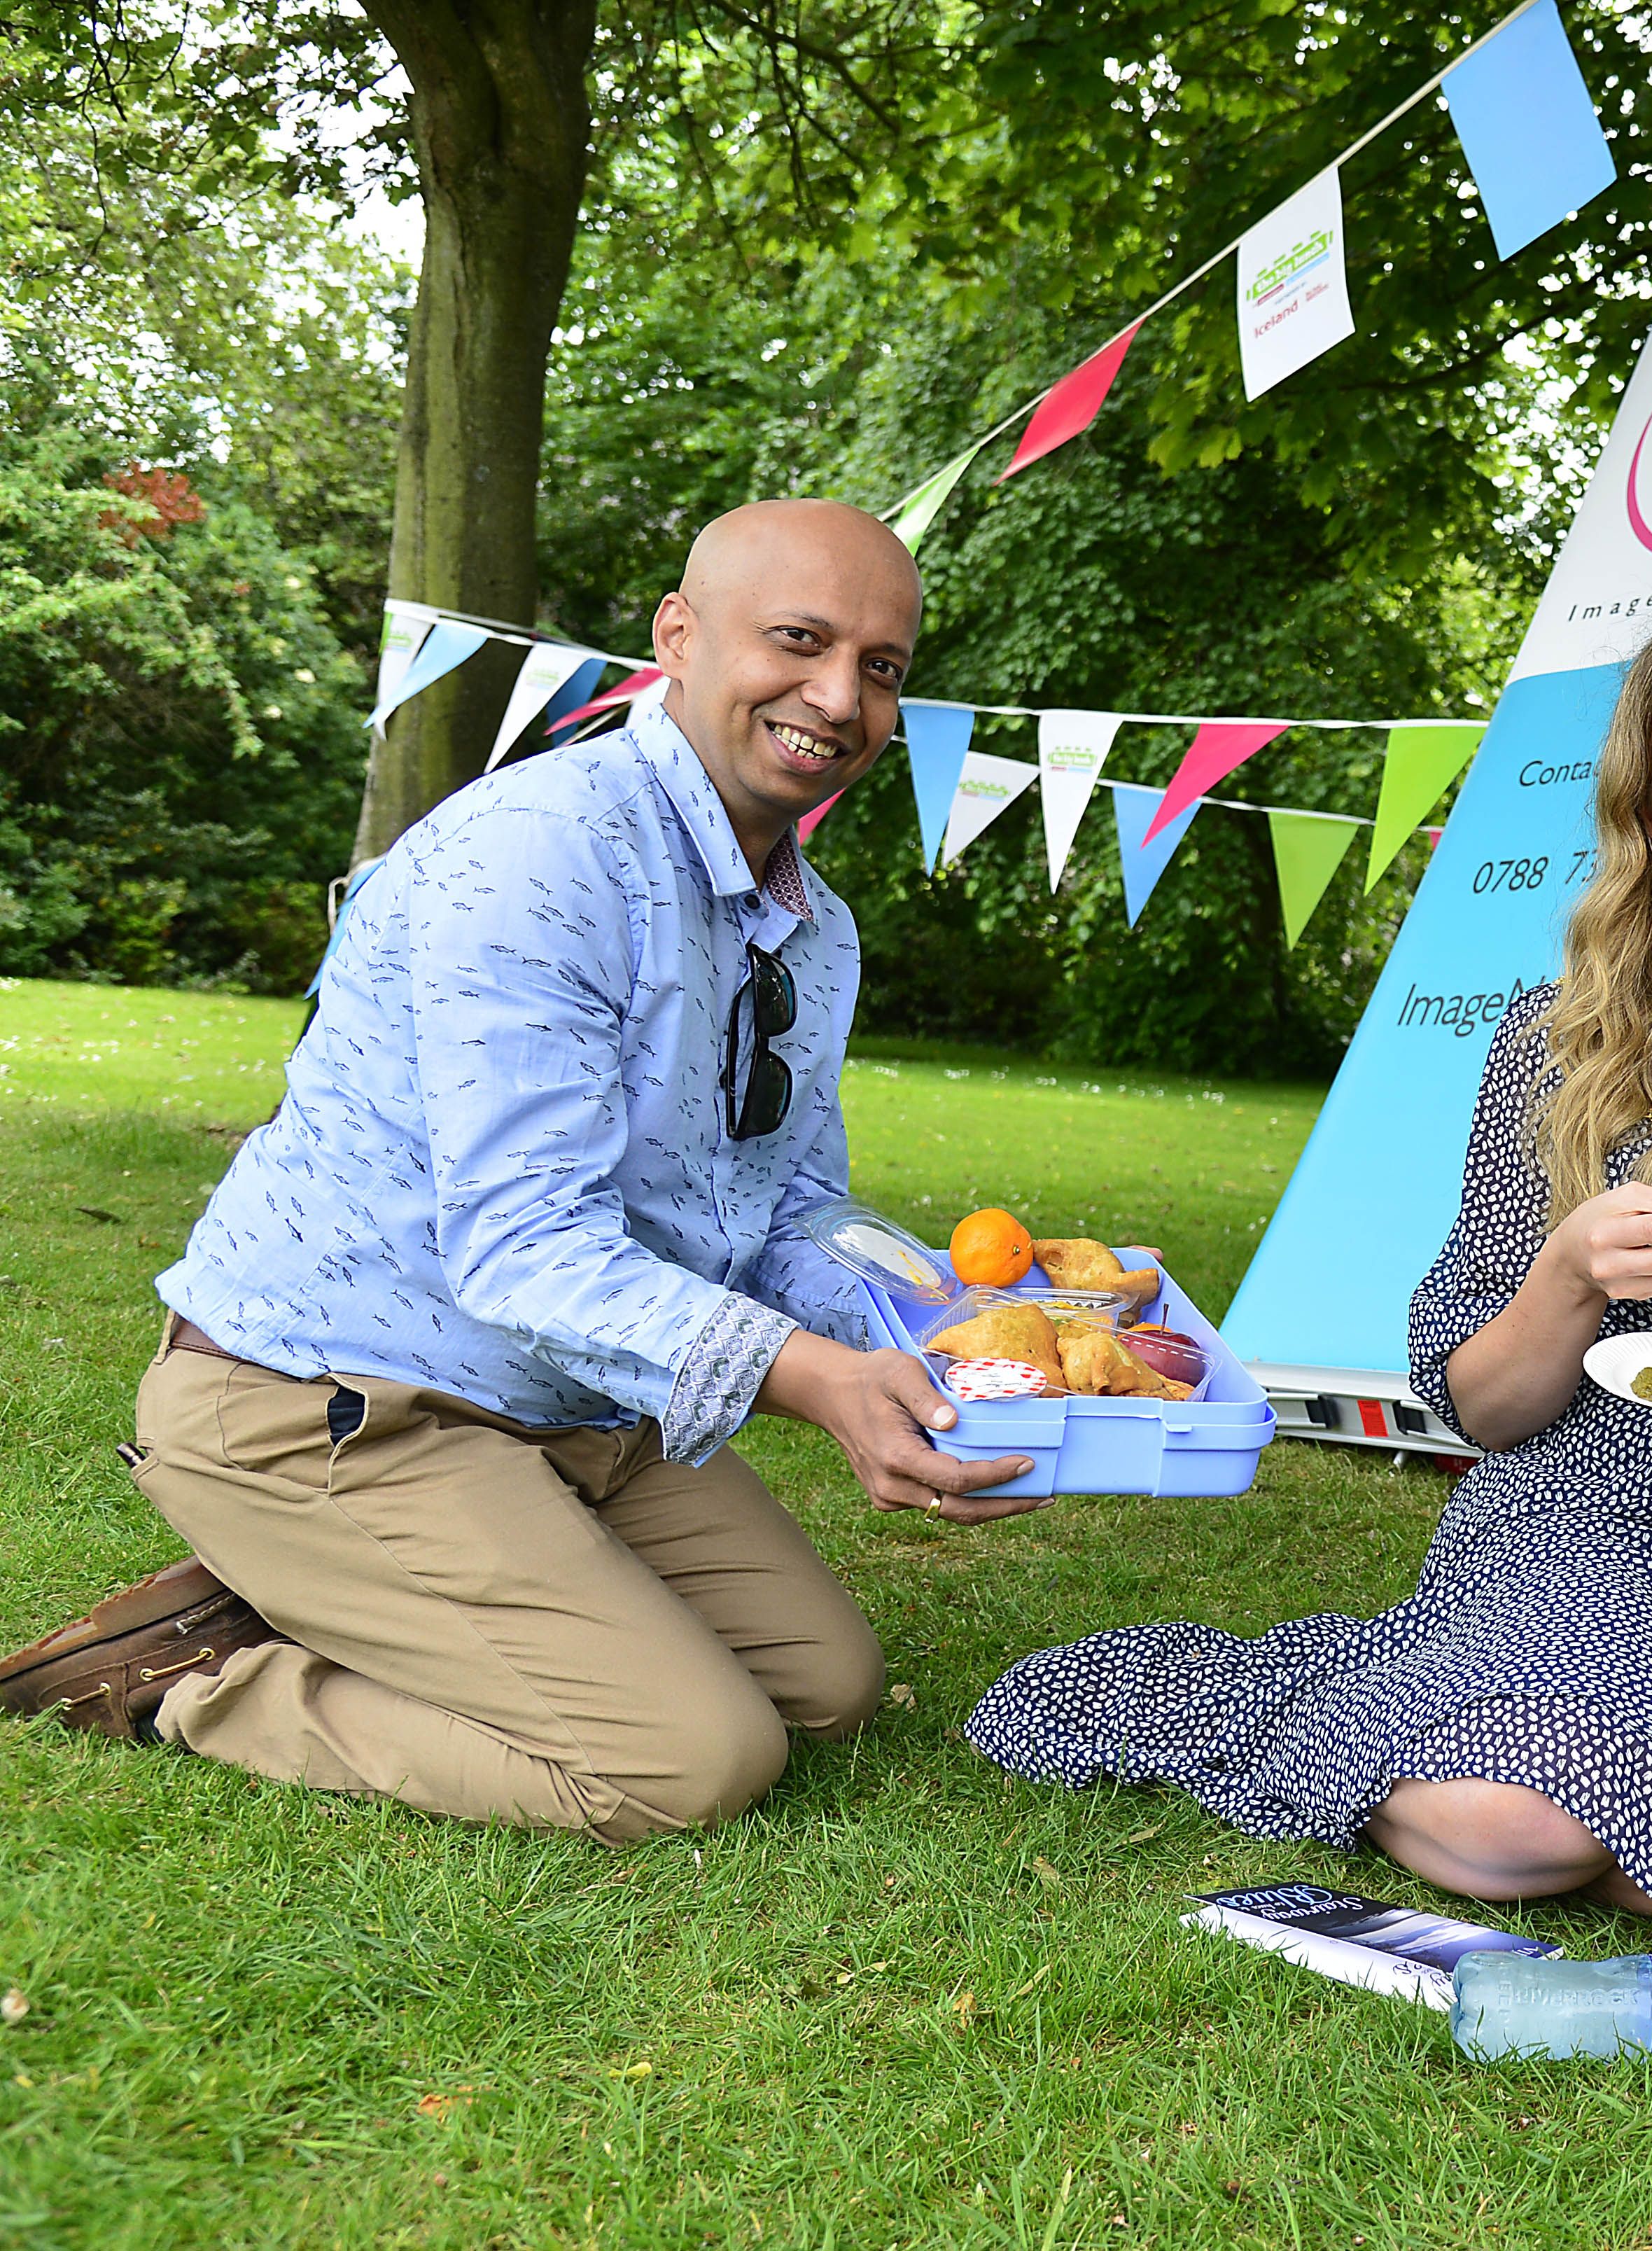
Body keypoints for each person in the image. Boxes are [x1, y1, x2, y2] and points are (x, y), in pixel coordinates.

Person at [965, 596, 1652, 1965]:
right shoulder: (1557, 1048)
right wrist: (1565, 1274)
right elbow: (1485, 1409)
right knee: (1510, 1833)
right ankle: (1583, 1802)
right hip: (1578, 1528)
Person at [0, 499, 1041, 1838]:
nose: (838, 697)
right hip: (324, 1396)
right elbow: (526, 1251)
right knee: (690, 1762)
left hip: (576, 1407)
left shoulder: (813, 925)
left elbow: (784, 1203)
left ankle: (386, 1586)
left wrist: (950, 1321)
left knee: (824, 1688)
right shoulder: (543, 852)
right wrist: (816, 1379)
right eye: (799, 641)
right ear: (679, 636)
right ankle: (196, 1679)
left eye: (882, 667)